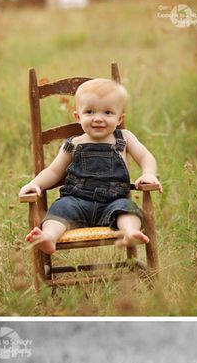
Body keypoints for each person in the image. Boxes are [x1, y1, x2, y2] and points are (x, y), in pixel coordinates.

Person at [20, 78, 162, 254]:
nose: (98, 119)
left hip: (113, 202)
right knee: (59, 209)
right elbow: (54, 171)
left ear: (120, 118)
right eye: (89, 112)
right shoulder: (73, 143)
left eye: (108, 112)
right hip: (76, 201)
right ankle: (49, 237)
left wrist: (149, 174)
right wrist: (36, 183)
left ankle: (130, 232)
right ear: (78, 117)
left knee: (128, 209)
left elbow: (145, 156)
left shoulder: (124, 138)